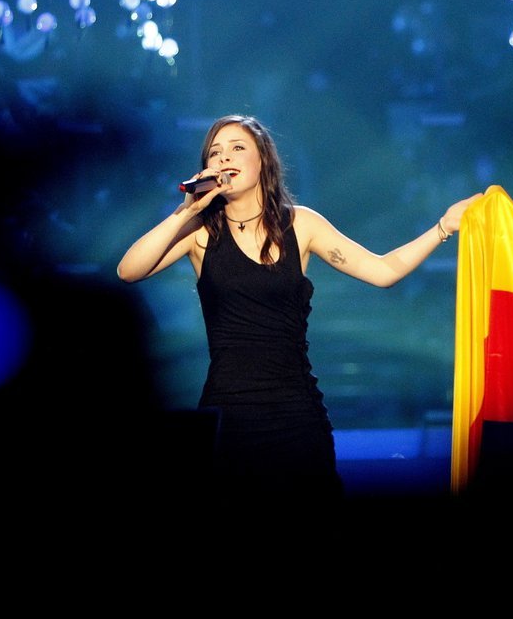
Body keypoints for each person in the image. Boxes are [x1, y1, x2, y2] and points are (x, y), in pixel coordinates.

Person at [117, 114, 481, 505]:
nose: (224, 159)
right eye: (215, 153)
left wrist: (443, 227)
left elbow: (382, 271)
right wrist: (187, 211)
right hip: (229, 413)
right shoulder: (200, 232)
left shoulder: (301, 224)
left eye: (237, 148)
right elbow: (128, 270)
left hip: (296, 415)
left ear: (263, 160)